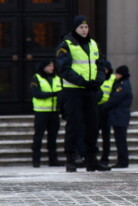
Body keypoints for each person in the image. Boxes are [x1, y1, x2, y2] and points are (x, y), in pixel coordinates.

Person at [55, 15, 110, 172]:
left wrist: (98, 80)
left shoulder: (93, 44)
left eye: (86, 27)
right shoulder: (66, 45)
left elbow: (100, 64)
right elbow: (63, 69)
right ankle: (71, 159)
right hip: (73, 91)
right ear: (75, 28)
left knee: (93, 125)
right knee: (74, 125)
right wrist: (82, 82)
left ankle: (91, 160)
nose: (84, 30)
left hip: (91, 91)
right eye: (81, 27)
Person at [29, 60, 63, 167]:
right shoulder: (37, 78)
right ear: (43, 67)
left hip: (54, 112)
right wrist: (53, 94)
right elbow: (36, 93)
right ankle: (36, 160)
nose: (52, 68)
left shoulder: (57, 78)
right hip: (41, 112)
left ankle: (53, 160)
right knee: (38, 136)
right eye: (49, 65)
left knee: (53, 137)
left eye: (53, 65)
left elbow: (62, 93)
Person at [102, 65, 133, 168]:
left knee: (120, 140)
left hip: (120, 115)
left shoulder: (122, 85)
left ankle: (123, 161)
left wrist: (103, 107)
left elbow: (115, 99)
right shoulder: (122, 83)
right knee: (120, 139)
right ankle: (122, 160)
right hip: (119, 115)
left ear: (121, 74)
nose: (115, 75)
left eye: (117, 73)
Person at [97, 60, 114, 168]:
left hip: (107, 110)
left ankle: (105, 158)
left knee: (106, 137)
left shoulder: (113, 79)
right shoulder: (97, 77)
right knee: (92, 135)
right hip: (95, 108)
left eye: (106, 69)